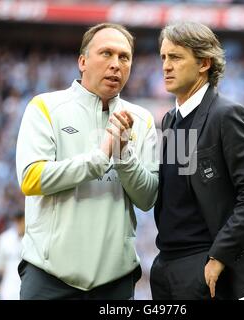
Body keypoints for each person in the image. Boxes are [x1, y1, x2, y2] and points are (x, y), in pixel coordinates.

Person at [15, 23, 158, 300]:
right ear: (82, 61)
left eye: (124, 57)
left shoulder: (142, 119)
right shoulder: (45, 107)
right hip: (49, 277)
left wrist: (123, 155)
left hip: (115, 281)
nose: (116, 64)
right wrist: (99, 158)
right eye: (106, 53)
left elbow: (148, 197)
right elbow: (31, 179)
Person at [150, 22, 244, 300]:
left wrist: (218, 256)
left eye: (176, 57)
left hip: (203, 264)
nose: (166, 66)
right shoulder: (170, 119)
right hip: (165, 266)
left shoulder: (227, 115)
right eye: (164, 57)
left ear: (204, 63)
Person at [0, 211, 25, 300]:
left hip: (27, 289)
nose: (20, 224)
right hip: (8, 290)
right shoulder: (5, 238)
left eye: (22, 220)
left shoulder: (32, 239)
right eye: (18, 221)